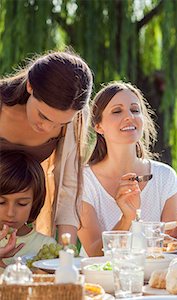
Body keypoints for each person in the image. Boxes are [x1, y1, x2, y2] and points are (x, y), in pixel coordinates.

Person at [78, 82, 177, 257]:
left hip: (152, 279)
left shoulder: (165, 176)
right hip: (99, 281)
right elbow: (94, 252)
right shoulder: (82, 181)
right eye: (117, 111)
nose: (129, 116)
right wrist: (127, 219)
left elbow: (169, 247)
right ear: (98, 126)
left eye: (135, 110)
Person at [0, 51, 93, 243]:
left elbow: (69, 187)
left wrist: (64, 252)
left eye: (60, 123)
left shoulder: (74, 121)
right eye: (44, 116)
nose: (48, 128)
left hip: (23, 224)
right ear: (30, 86)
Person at [0, 150, 56, 269]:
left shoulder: (44, 246)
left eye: (22, 203)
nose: (10, 213)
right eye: (1, 202)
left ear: (34, 203)